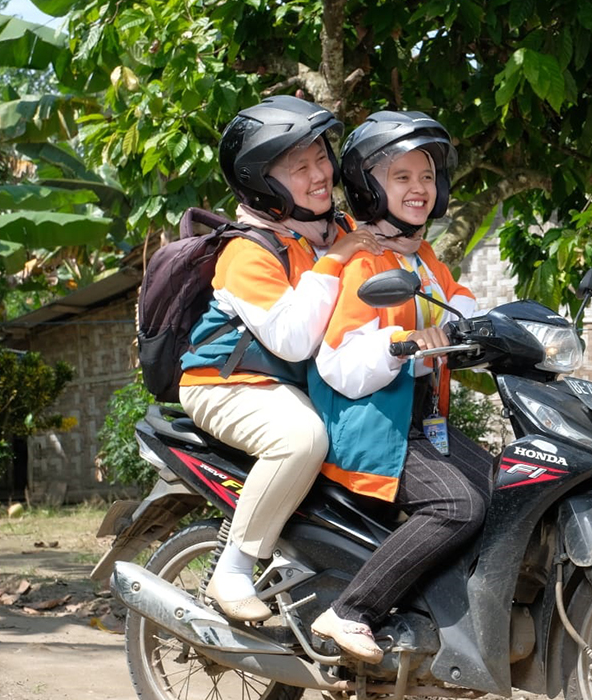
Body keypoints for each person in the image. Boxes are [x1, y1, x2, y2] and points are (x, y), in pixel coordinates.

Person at [178, 95, 383, 622]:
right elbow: (294, 339)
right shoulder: (248, 252)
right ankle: (235, 568)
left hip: (293, 384)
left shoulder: (333, 229)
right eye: (300, 168)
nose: (320, 175)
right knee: (302, 439)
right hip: (226, 385)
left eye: (322, 158)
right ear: (262, 184)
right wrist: (337, 258)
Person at [306, 111, 492, 663]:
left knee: (507, 486)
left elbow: (459, 300)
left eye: (427, 177)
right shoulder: (363, 263)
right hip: (372, 428)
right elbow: (340, 364)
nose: (419, 189)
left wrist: (482, 327)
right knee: (457, 505)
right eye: (402, 177)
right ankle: (348, 611)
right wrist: (404, 345)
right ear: (370, 186)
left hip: (419, 423)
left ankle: (444, 614)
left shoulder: (421, 255)